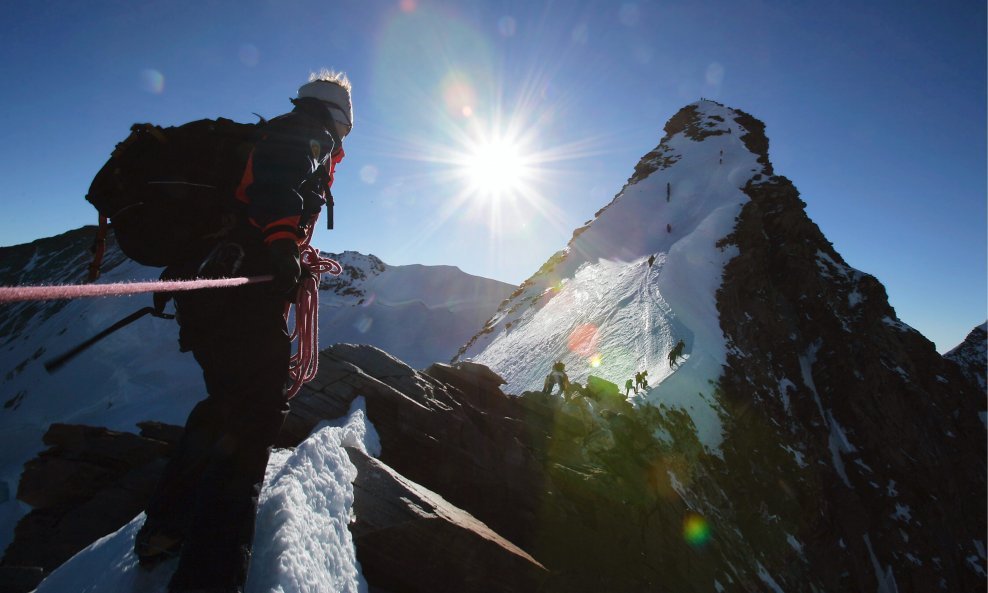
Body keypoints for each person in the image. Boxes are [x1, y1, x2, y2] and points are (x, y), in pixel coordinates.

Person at [134, 70, 354, 593]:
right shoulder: (308, 132)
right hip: (240, 293)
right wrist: (281, 244)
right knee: (254, 420)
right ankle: (212, 574)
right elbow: (276, 179)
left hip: (212, 293)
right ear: (341, 116)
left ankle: (165, 528)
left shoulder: (283, 126)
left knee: (227, 403)